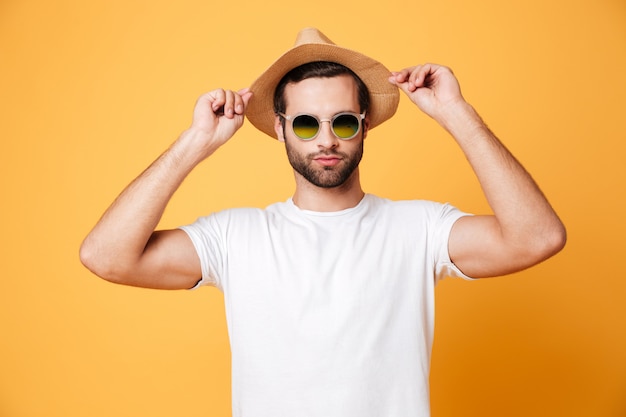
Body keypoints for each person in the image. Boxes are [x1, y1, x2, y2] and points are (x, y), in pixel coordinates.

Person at [80, 28, 566, 417]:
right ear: (280, 129)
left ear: (365, 125)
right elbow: (105, 257)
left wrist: (458, 115)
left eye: (344, 122)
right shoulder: (235, 238)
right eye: (307, 123)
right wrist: (195, 143)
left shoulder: (418, 228)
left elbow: (538, 238)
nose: (326, 140)